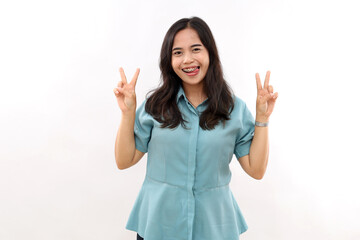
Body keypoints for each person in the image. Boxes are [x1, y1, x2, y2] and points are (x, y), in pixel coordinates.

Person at [113, 17, 278, 240]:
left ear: (210, 53)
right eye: (178, 52)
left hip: (214, 229)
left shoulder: (234, 109)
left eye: (196, 49)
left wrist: (262, 118)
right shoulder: (155, 106)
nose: (187, 60)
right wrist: (127, 113)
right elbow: (124, 160)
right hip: (158, 228)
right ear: (169, 60)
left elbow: (256, 170)